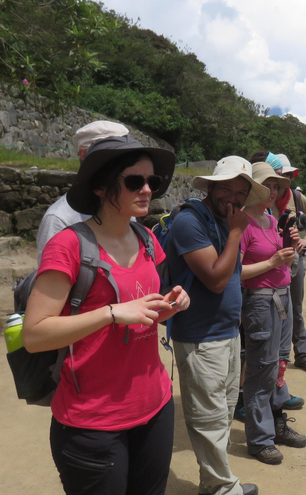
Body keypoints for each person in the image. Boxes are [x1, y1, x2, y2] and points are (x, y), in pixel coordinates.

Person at [23, 135, 190, 495]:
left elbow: (147, 310)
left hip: (155, 404)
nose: (147, 189)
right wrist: (111, 313)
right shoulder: (68, 245)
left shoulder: (147, 239)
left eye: (152, 182)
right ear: (100, 187)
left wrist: (170, 305)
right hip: (92, 420)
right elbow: (34, 335)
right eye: (134, 181)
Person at [161, 156, 266, 495]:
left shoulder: (224, 221)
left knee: (220, 414)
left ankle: (213, 482)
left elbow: (233, 275)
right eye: (227, 189)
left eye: (241, 193)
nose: (233, 199)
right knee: (208, 419)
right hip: (200, 337)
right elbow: (217, 280)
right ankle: (222, 488)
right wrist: (237, 232)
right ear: (211, 187)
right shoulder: (190, 223)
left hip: (226, 333)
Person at [240, 162, 306, 465]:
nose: (275, 190)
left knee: (279, 365)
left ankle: (275, 425)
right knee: (261, 369)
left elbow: (281, 262)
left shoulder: (270, 219)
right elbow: (234, 271)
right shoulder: (241, 223)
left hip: (282, 297)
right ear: (255, 188)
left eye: (277, 185)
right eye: (269, 184)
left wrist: (291, 247)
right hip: (260, 301)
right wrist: (272, 262)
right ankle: (259, 439)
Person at [36, 120, 130, 263]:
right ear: (83, 154)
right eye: (108, 154)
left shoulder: (124, 207)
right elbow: (49, 280)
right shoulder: (60, 219)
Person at [274, 154, 306, 374]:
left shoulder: (295, 196)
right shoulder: (261, 197)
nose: (284, 178)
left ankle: (303, 355)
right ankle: (275, 358)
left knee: (295, 307)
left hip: (293, 259)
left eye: (287, 175)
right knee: (270, 309)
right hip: (267, 261)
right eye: (280, 174)